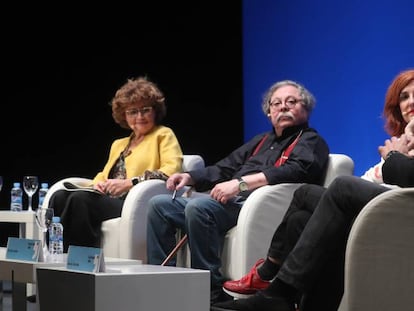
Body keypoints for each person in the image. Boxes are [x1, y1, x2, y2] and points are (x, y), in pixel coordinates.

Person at [212, 71, 414, 311]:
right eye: (404, 97)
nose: (410, 102)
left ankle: (276, 287)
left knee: (336, 187)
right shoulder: (402, 138)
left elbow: (405, 174)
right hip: (384, 207)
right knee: (301, 218)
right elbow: (371, 178)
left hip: (402, 211)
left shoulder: (392, 147)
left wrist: (393, 157)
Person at [145, 80, 330, 306]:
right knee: (159, 205)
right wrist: (190, 177)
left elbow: (299, 169)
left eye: (291, 102)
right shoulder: (261, 141)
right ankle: (163, 284)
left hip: (258, 206)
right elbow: (225, 167)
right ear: (269, 112)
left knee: (199, 207)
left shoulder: (311, 140)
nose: (283, 107)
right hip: (230, 202)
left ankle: (209, 293)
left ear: (306, 108)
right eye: (276, 103)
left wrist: (240, 184)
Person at [48, 76, 183, 252]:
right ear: (124, 115)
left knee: (79, 200)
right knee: (59, 197)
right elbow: (103, 175)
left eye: (145, 110)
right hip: (109, 199)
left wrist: (129, 183)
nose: (139, 116)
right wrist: (98, 185)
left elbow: (171, 170)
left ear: (155, 111)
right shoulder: (119, 144)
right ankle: (54, 255)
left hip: (134, 202)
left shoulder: (163, 135)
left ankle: (80, 262)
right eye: (132, 112)